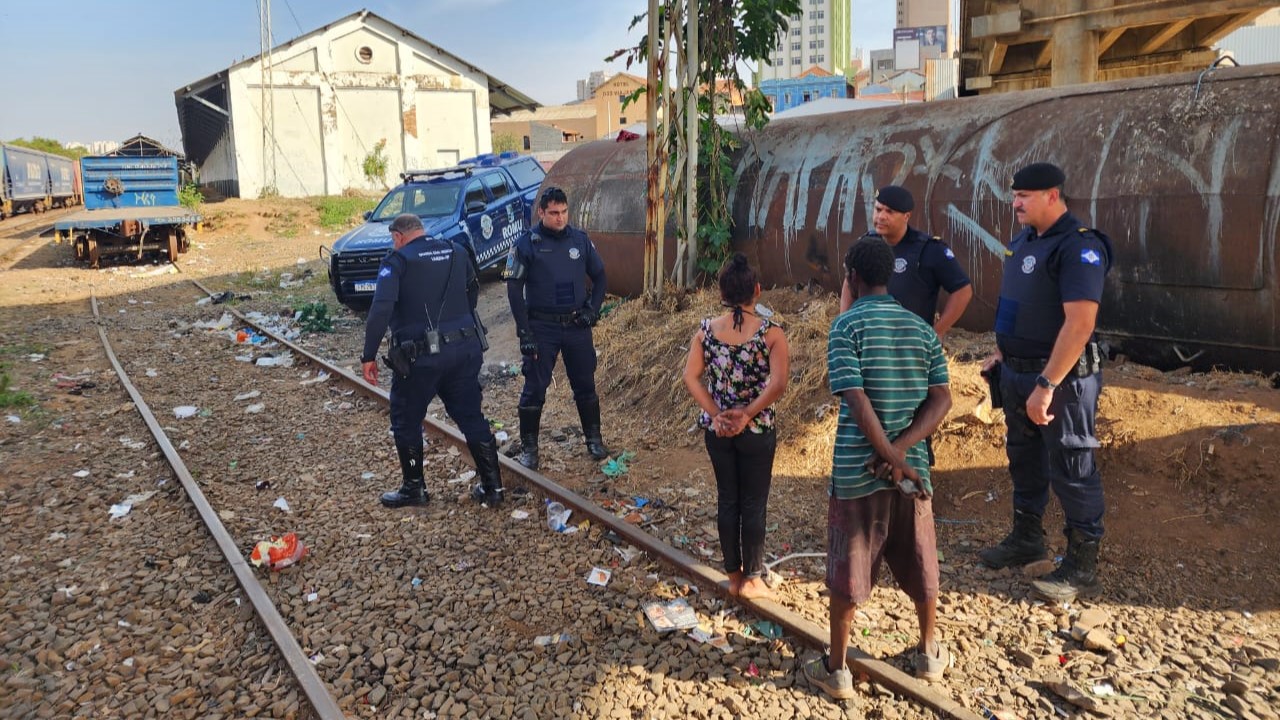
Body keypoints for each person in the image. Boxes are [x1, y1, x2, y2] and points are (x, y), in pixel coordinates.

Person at [804, 237, 952, 700]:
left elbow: (855, 396)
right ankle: (929, 653)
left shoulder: (845, 328)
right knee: (922, 560)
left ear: (852, 276)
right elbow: (942, 398)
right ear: (888, 275)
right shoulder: (921, 330)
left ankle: (837, 669)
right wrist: (905, 457)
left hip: (857, 473)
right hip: (913, 474)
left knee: (849, 571)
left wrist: (888, 455)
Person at [977, 162, 1112, 604]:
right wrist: (1001, 351)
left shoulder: (1079, 247)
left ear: (1053, 196)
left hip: (1062, 381)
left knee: (1072, 467)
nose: (1015, 203)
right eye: (1015, 195)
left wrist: (1048, 383)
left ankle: (1082, 567)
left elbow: (1080, 323)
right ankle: (1027, 538)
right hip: (1017, 372)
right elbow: (1019, 303)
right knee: (1024, 459)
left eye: (1025, 196)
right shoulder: (1025, 240)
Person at [361, 213, 504, 508]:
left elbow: (380, 309)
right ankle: (493, 488)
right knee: (470, 415)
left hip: (420, 358)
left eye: (393, 239)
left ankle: (414, 489)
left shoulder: (397, 261)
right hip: (465, 350)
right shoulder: (456, 250)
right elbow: (473, 289)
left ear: (398, 236)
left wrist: (368, 355)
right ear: (421, 230)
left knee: (405, 418)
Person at [682, 253, 790, 599]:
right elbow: (778, 383)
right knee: (753, 503)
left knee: (728, 499)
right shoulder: (771, 334)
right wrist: (748, 414)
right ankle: (754, 579)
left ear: (721, 292)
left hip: (718, 432)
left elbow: (691, 377)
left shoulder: (706, 332)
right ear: (757, 290)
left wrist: (717, 414)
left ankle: (733, 576)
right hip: (756, 431)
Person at [503, 186, 609, 470]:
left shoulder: (580, 240)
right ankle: (529, 448)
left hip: (576, 326)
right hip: (541, 327)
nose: (560, 218)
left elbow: (600, 277)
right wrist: (523, 332)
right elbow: (514, 289)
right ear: (541, 212)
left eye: (564, 212)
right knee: (535, 388)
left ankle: (594, 439)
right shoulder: (526, 244)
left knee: (585, 384)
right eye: (554, 213)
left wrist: (592, 311)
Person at [839, 185, 972, 339]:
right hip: (870, 342)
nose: (881, 216)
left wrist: (936, 333)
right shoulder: (866, 244)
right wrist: (845, 324)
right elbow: (849, 283)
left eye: (889, 212)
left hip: (911, 345)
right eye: (878, 209)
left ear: (906, 216)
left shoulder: (929, 249)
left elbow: (963, 290)